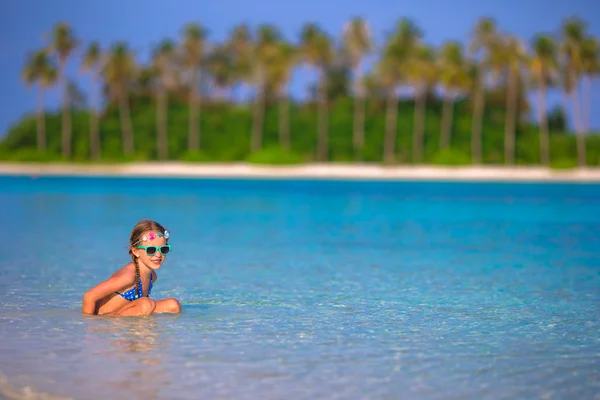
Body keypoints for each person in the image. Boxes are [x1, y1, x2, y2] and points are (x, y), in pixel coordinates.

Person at [82, 219, 182, 316]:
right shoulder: (128, 276)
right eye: (151, 250)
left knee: (173, 305)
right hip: (107, 321)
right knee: (146, 304)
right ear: (136, 251)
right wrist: (89, 325)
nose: (158, 255)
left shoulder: (152, 276)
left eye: (163, 249)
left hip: (125, 318)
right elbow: (89, 296)